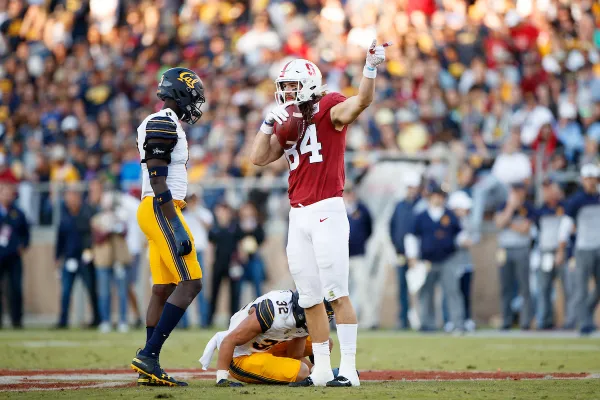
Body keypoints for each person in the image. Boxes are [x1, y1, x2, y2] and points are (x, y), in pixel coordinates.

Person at [250, 41, 389, 387]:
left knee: (335, 293)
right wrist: (268, 124)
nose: (287, 93)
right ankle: (323, 370)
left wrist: (369, 69)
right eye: (283, 88)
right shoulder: (288, 119)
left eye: (292, 86)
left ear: (309, 82)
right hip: (297, 215)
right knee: (310, 297)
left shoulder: (330, 106)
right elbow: (258, 158)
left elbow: (363, 101)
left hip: (326, 208)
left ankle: (349, 370)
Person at [130, 67, 206, 387]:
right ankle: (149, 354)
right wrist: (174, 223)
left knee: (162, 288)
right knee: (191, 283)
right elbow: (158, 175)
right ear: (180, 93)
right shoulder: (162, 122)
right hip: (162, 208)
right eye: (192, 95)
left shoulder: (165, 122)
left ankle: (150, 362)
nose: (196, 103)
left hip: (156, 208)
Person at [200, 290, 334, 387]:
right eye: (319, 316)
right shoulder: (272, 311)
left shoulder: (302, 318)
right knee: (302, 372)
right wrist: (222, 379)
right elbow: (230, 340)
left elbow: (295, 355)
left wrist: (317, 370)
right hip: (242, 355)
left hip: (268, 345)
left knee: (326, 342)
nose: (321, 321)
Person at [404, 185, 465, 332]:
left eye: (441, 196)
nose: (438, 199)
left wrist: (464, 241)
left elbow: (460, 233)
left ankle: (457, 324)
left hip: (447, 258)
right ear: (430, 197)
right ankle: (427, 323)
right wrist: (412, 256)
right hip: (427, 260)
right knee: (426, 293)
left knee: (452, 291)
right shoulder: (421, 216)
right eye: (436, 196)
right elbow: (412, 236)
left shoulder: (450, 215)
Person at [557, 164, 600, 335]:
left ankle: (587, 313)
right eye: (587, 178)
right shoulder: (576, 200)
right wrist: (560, 249)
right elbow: (565, 226)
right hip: (583, 248)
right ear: (583, 180)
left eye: (593, 178)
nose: (590, 182)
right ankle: (584, 323)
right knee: (581, 288)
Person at [55, 188, 99, 328]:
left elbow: (92, 235)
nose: (71, 201)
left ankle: (96, 319)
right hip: (69, 259)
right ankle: (63, 321)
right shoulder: (64, 216)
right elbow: (60, 239)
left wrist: (90, 252)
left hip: (85, 259)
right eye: (68, 198)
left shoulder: (87, 213)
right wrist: (57, 257)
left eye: (73, 197)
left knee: (91, 290)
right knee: (66, 291)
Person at [494, 182, 536, 330]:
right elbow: (499, 223)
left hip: (522, 248)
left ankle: (525, 321)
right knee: (506, 286)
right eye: (515, 191)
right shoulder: (503, 206)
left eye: (520, 191)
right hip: (505, 249)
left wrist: (509, 224)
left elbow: (525, 229)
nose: (518, 195)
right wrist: (510, 208)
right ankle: (506, 320)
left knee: (524, 287)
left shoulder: (528, 208)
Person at [90, 191, 131, 333]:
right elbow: (98, 238)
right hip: (103, 260)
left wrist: (116, 224)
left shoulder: (120, 217)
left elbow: (125, 232)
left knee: (121, 291)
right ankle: (105, 320)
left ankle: (123, 320)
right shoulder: (97, 219)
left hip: (118, 259)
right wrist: (108, 229)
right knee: (104, 292)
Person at [389, 172, 425, 330]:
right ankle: (403, 320)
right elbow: (392, 227)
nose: (411, 190)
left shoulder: (422, 205)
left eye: (413, 187)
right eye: (409, 187)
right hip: (402, 254)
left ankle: (422, 320)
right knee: (402, 288)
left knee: (419, 288)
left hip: (418, 255)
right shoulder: (400, 205)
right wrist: (397, 247)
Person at [535, 179, 572, 330]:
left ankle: (570, 321)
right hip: (545, 252)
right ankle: (545, 321)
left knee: (568, 287)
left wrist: (562, 251)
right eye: (545, 189)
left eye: (549, 189)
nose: (547, 192)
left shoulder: (565, 207)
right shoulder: (541, 209)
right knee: (544, 288)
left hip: (563, 251)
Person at [179, 192, 213, 329]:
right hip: (187, 251)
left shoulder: (204, 213)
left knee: (199, 287)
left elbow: (208, 226)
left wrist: (196, 212)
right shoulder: (183, 215)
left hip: (198, 251)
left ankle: (203, 321)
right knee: (184, 287)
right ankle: (184, 322)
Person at [343, 183, 374, 328]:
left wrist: (360, 241)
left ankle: (368, 320)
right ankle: (339, 320)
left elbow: (369, 229)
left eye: (351, 191)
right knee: (339, 290)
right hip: (341, 256)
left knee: (363, 287)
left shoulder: (362, 209)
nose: (349, 195)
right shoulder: (338, 209)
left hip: (358, 255)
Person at [446, 191, 476, 332]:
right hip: (451, 263)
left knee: (465, 292)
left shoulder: (467, 222)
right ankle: (452, 319)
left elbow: (473, 238)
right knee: (452, 292)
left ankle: (466, 319)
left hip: (465, 263)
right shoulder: (448, 222)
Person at [207, 202, 242, 326]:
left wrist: (240, 258)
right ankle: (209, 319)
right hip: (218, 263)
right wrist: (210, 259)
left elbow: (240, 243)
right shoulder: (215, 227)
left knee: (234, 293)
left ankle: (234, 320)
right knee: (214, 292)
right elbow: (211, 244)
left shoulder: (234, 226)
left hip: (232, 264)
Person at [0, 182, 29, 329]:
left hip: (13, 258)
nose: (7, 195)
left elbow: (26, 234)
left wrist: (23, 245)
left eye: (10, 193)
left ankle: (17, 320)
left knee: (16, 289)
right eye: (4, 192)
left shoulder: (18, 213)